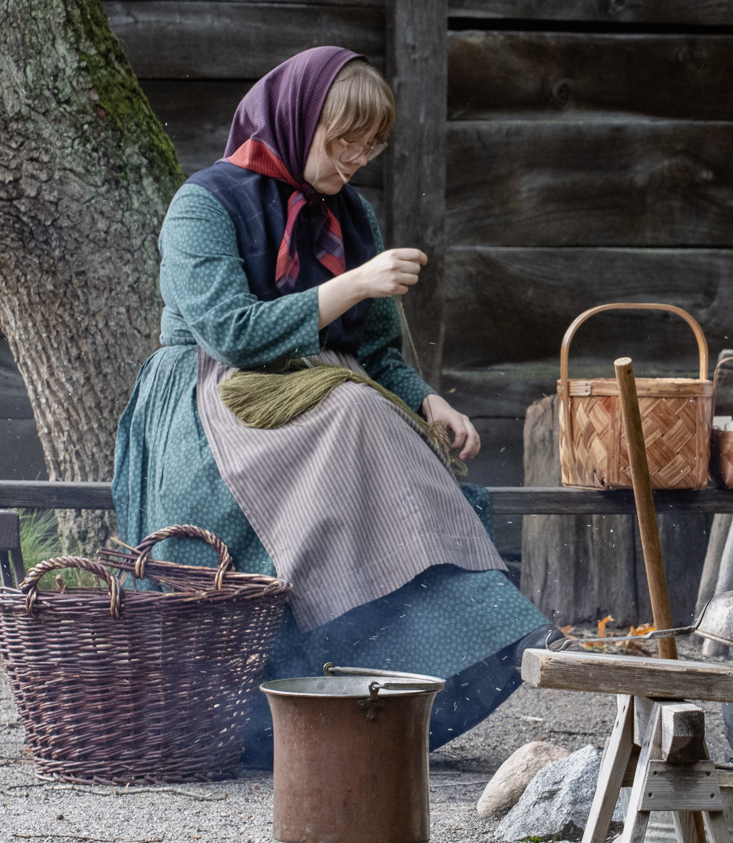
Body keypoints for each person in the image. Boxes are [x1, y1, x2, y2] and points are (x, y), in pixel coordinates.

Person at [112, 46, 552, 761]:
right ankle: (288, 696)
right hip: (215, 406)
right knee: (356, 414)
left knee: (370, 417)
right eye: (343, 138)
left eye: (370, 145)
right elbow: (231, 333)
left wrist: (428, 400)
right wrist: (353, 284)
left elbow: (377, 353)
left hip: (331, 406)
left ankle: (397, 677)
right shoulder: (203, 204)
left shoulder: (352, 215)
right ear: (297, 120)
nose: (355, 158)